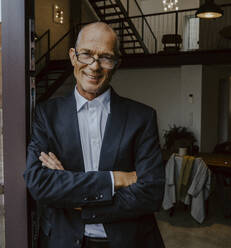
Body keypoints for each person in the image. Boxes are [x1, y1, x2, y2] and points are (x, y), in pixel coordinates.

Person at [23, 22, 165, 248]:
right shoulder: (46, 114)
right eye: (86, 54)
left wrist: (74, 197)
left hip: (128, 241)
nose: (94, 66)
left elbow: (151, 193)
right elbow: (39, 183)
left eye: (106, 57)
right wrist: (116, 179)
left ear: (117, 64)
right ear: (73, 56)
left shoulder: (142, 117)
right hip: (63, 240)